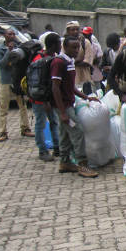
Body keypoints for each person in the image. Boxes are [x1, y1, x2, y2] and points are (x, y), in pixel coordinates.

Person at [51, 36, 100, 178]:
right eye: (73, 47)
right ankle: (82, 164)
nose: (77, 50)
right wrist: (63, 112)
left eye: (78, 47)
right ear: (64, 47)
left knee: (64, 133)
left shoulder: (69, 62)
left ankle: (65, 162)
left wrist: (85, 97)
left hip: (68, 104)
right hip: (64, 107)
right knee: (77, 131)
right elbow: (55, 88)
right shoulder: (59, 62)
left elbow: (70, 86)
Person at [0, 29, 34, 142]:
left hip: (18, 81)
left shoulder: (20, 48)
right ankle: (2, 132)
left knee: (23, 106)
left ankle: (25, 128)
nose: (12, 36)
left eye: (13, 34)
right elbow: (2, 64)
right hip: (6, 81)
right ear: (4, 36)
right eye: (9, 34)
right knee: (3, 107)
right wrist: (9, 51)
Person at [31, 32, 62, 161]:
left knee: (54, 122)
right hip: (40, 99)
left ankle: (57, 147)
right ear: (54, 45)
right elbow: (38, 83)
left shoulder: (53, 58)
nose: (61, 46)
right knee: (41, 123)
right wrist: (44, 101)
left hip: (50, 98)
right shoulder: (39, 60)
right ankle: (42, 150)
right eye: (59, 44)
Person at [63, 21, 93, 93]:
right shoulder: (63, 43)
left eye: (77, 29)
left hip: (84, 78)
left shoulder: (85, 42)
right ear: (68, 31)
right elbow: (63, 61)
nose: (75, 32)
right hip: (69, 78)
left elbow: (87, 62)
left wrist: (72, 62)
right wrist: (78, 61)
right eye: (73, 30)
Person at [82, 26, 103, 93]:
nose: (84, 36)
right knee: (85, 87)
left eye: (86, 34)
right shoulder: (81, 45)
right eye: (84, 34)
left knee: (97, 89)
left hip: (94, 69)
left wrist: (91, 60)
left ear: (90, 34)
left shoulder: (96, 46)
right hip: (84, 69)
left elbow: (99, 57)